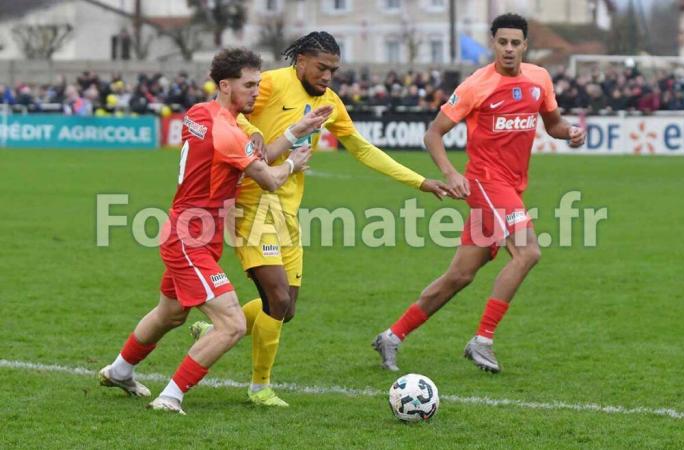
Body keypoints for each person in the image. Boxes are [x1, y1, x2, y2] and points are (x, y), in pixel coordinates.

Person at [189, 31, 450, 407]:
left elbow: (361, 148)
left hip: (288, 211)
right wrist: (253, 134)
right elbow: (227, 111)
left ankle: (220, 328)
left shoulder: (329, 102)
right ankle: (259, 387)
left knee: (286, 308)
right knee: (276, 300)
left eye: (334, 70)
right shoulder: (271, 83)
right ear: (301, 61)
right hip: (252, 202)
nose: (328, 76)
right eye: (322, 67)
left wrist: (420, 181)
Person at [97, 48, 332, 414]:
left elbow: (250, 150)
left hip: (187, 233)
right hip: (190, 239)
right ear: (225, 85)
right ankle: (171, 396)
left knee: (170, 314)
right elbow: (269, 178)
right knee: (232, 324)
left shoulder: (200, 113)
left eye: (258, 83)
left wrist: (294, 130)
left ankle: (120, 370)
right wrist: (295, 164)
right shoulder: (228, 133)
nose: (258, 91)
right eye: (249, 85)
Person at [372, 13, 586, 374]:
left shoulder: (539, 78)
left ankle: (391, 336)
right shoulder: (476, 85)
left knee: (459, 276)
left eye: (515, 43)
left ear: (525, 45)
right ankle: (482, 340)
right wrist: (450, 172)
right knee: (528, 251)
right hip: (486, 183)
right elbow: (433, 134)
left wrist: (571, 133)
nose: (508, 49)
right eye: (502, 42)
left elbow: (553, 124)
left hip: (510, 187)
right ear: (493, 44)